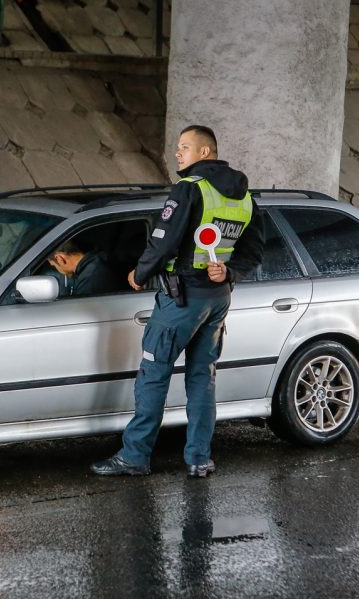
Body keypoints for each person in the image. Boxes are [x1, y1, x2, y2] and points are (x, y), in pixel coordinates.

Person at [91, 124, 265, 478]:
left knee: (153, 374)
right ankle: (199, 458)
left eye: (184, 146)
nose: (177, 152)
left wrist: (139, 274)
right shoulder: (245, 198)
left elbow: (164, 242)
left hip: (182, 298)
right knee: (203, 378)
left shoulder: (189, 190)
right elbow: (254, 252)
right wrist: (228, 273)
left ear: (205, 152)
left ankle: (134, 457)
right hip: (217, 299)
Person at [47, 239, 126, 297]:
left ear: (60, 258)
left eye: (54, 265)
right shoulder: (99, 258)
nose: (56, 269)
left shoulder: (89, 279)